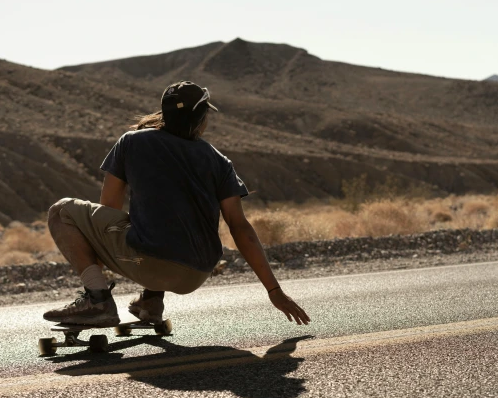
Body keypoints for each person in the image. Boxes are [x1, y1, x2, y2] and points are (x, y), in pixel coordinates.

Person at [43, 81, 310, 327]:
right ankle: (151, 302)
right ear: (201, 118)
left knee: (61, 210)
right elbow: (240, 228)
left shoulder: (131, 142)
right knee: (160, 219)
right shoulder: (218, 160)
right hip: (196, 274)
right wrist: (274, 291)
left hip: (148, 264)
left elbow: (109, 210)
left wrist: (98, 266)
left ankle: (97, 299)